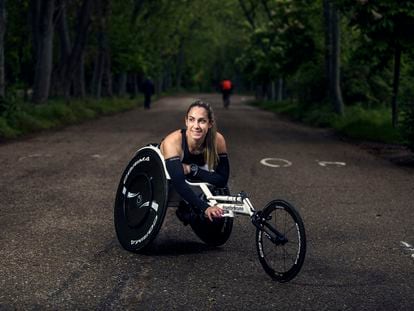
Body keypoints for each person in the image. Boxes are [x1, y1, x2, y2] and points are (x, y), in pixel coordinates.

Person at [160, 100, 230, 224]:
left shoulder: (217, 140)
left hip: (193, 167)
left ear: (210, 123)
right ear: (186, 121)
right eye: (192, 120)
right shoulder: (172, 142)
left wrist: (192, 169)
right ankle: (186, 206)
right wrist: (206, 208)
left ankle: (187, 207)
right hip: (164, 164)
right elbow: (179, 184)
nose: (196, 126)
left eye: (202, 121)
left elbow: (222, 180)